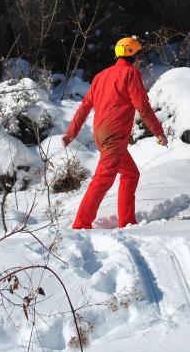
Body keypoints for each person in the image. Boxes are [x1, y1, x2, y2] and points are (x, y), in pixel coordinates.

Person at [62, 36, 167, 229]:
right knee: (103, 179)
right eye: (139, 55)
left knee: (130, 174)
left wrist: (71, 133)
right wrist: (158, 132)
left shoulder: (101, 76)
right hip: (115, 136)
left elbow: (85, 107)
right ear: (135, 55)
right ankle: (80, 224)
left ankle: (127, 221)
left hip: (101, 135)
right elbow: (142, 106)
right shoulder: (131, 74)